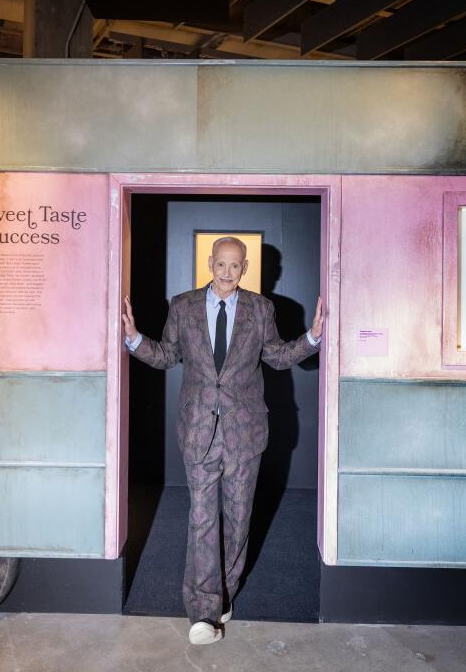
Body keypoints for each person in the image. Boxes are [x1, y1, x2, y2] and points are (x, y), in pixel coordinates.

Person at [122, 236, 323, 645]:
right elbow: (165, 355)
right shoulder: (182, 305)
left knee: (237, 517)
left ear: (244, 268)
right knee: (201, 517)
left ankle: (224, 591)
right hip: (198, 430)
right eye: (221, 264)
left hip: (244, 433)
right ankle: (202, 609)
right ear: (210, 263)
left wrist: (314, 336)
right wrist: (133, 338)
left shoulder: (260, 309)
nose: (228, 272)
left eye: (236, 266)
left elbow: (278, 356)